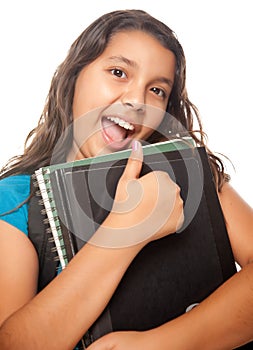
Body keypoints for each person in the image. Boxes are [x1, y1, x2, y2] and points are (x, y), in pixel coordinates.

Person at [0, 9, 252, 350]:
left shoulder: (191, 176)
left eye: (158, 90)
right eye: (118, 72)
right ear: (74, 76)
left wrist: (162, 345)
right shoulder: (15, 201)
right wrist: (125, 232)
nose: (137, 100)